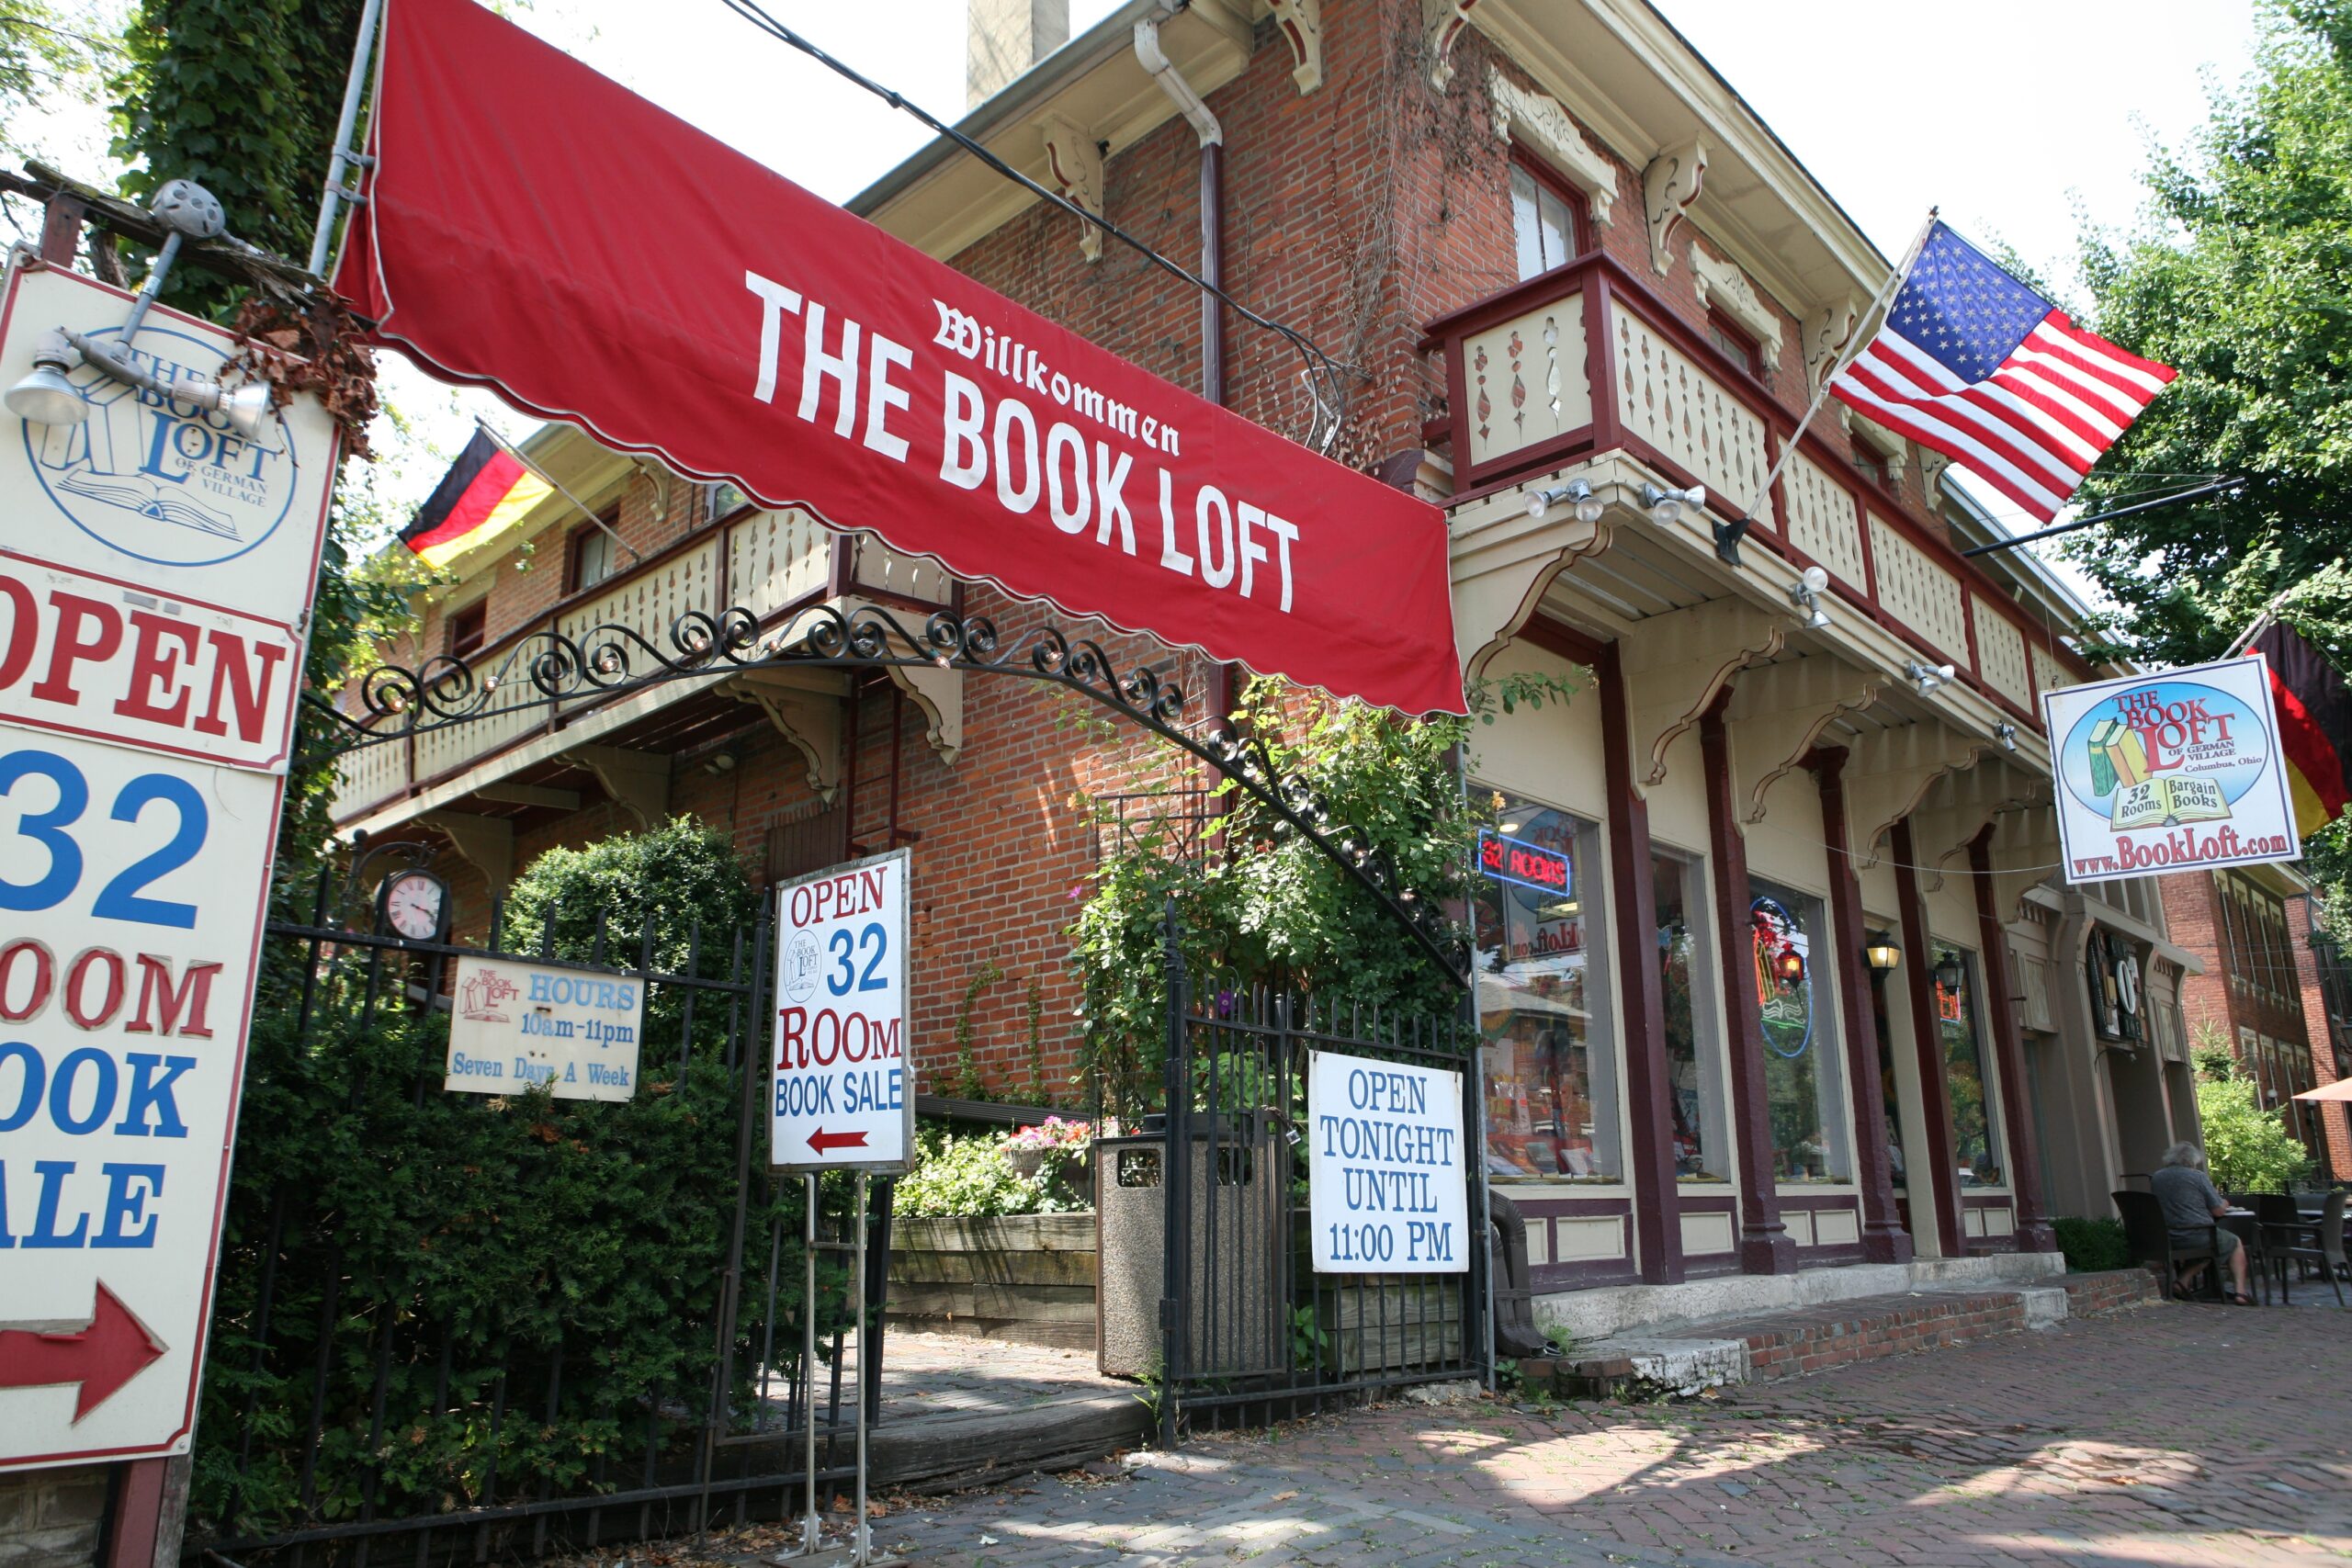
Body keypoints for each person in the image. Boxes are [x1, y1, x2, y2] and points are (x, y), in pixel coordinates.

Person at [2151, 1142, 2255, 1304]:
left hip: (2168, 1236)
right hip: (2198, 1234)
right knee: (2233, 1242)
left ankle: (2182, 1282)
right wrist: (2225, 1203)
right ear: (2192, 1160)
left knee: (2211, 1246)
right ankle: (2240, 1293)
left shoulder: (2157, 1177)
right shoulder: (2197, 1176)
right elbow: (2218, 1211)